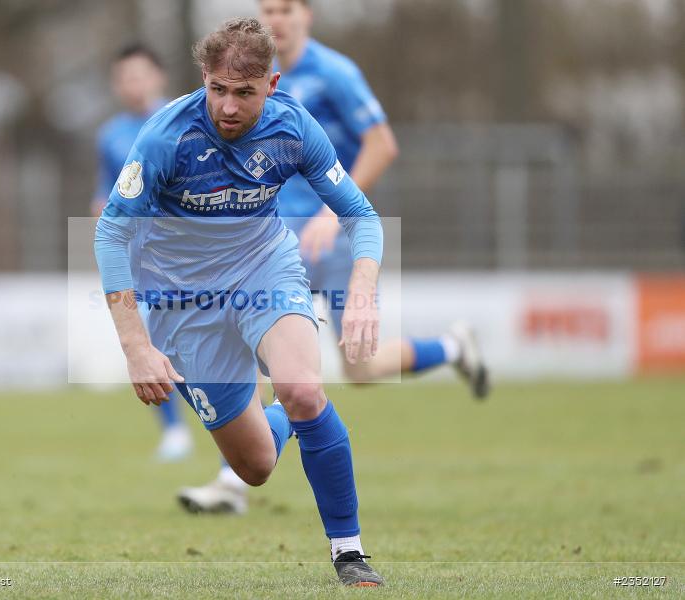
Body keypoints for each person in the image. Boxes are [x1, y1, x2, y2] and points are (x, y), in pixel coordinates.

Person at [95, 18, 386, 586]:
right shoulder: (165, 137)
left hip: (264, 271)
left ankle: (348, 551)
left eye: (245, 93)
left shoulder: (294, 129)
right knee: (253, 466)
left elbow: (362, 216)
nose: (228, 107)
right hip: (184, 304)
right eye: (218, 89)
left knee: (303, 389)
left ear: (271, 85)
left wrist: (362, 292)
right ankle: (280, 423)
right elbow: (110, 234)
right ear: (204, 78)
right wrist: (135, 346)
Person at [177, 0, 490, 516]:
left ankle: (452, 348)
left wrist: (330, 212)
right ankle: (234, 480)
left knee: (360, 368)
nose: (275, 18)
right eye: (267, 8)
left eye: (286, 9)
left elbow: (382, 144)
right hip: (272, 247)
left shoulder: (335, 73)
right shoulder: (242, 77)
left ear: (307, 15)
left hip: (332, 241)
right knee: (249, 350)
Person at [93, 44, 192, 462]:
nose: (133, 85)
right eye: (125, 77)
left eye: (140, 75)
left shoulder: (180, 122)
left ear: (158, 78)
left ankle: (247, 420)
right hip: (140, 259)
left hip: (186, 254)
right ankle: (173, 431)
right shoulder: (110, 134)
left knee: (205, 344)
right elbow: (104, 192)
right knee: (150, 341)